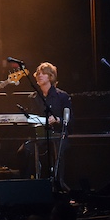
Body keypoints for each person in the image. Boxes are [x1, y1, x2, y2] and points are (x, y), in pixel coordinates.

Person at [29, 61, 72, 191]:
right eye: (38, 73)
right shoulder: (33, 98)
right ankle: (34, 185)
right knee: (24, 151)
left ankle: (59, 185)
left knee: (58, 151)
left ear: (50, 76)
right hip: (40, 136)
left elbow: (70, 120)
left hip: (58, 135)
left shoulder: (62, 96)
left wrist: (57, 119)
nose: (39, 75)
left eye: (43, 73)